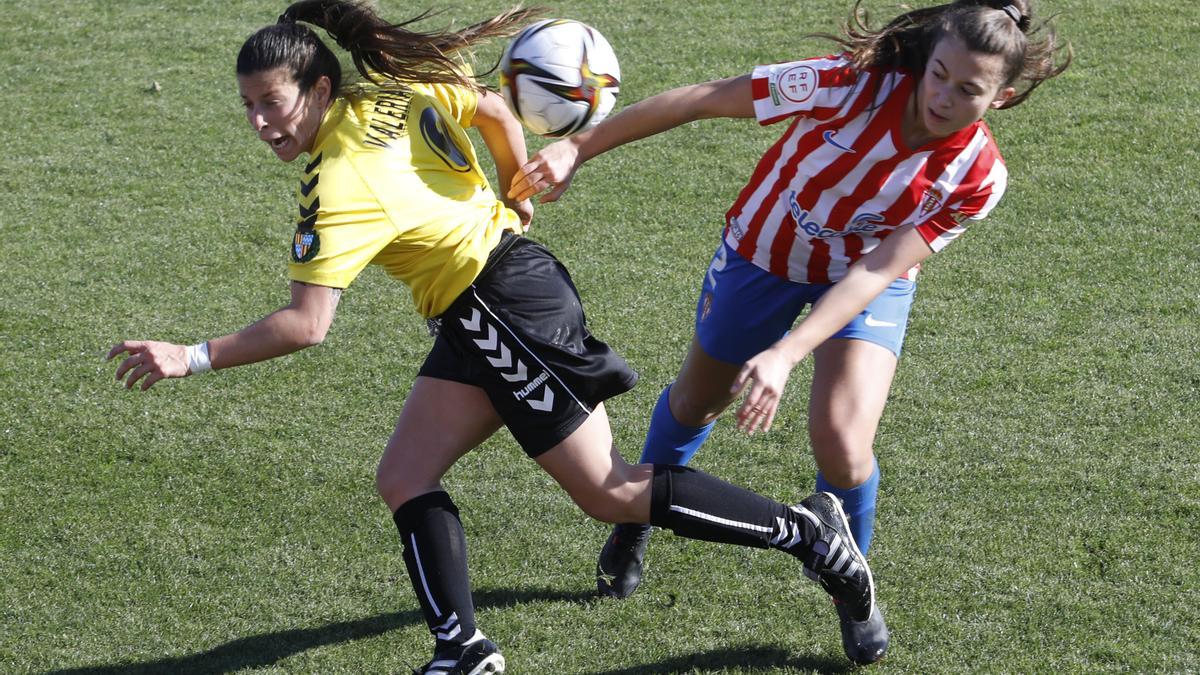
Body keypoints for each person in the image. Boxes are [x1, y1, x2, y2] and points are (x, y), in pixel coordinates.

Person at [106, 1, 878, 672]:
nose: (260, 122)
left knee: (607, 491)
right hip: (485, 301)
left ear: (317, 88)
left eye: (272, 102)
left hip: (503, 310)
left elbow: (308, 326)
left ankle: (809, 534)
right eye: (247, 106)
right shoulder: (392, 87)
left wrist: (191, 355)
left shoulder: (339, 183)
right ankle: (463, 649)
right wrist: (514, 185)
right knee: (405, 473)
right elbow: (493, 109)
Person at [509, 0, 1070, 664]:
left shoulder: (980, 176)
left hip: (865, 282)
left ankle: (849, 585)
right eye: (938, 74)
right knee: (696, 403)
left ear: (1001, 98)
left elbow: (879, 267)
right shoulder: (845, 84)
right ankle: (635, 523)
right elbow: (702, 101)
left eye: (968, 90)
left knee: (843, 444)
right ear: (927, 59)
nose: (942, 96)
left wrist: (788, 351)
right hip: (762, 254)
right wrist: (578, 144)